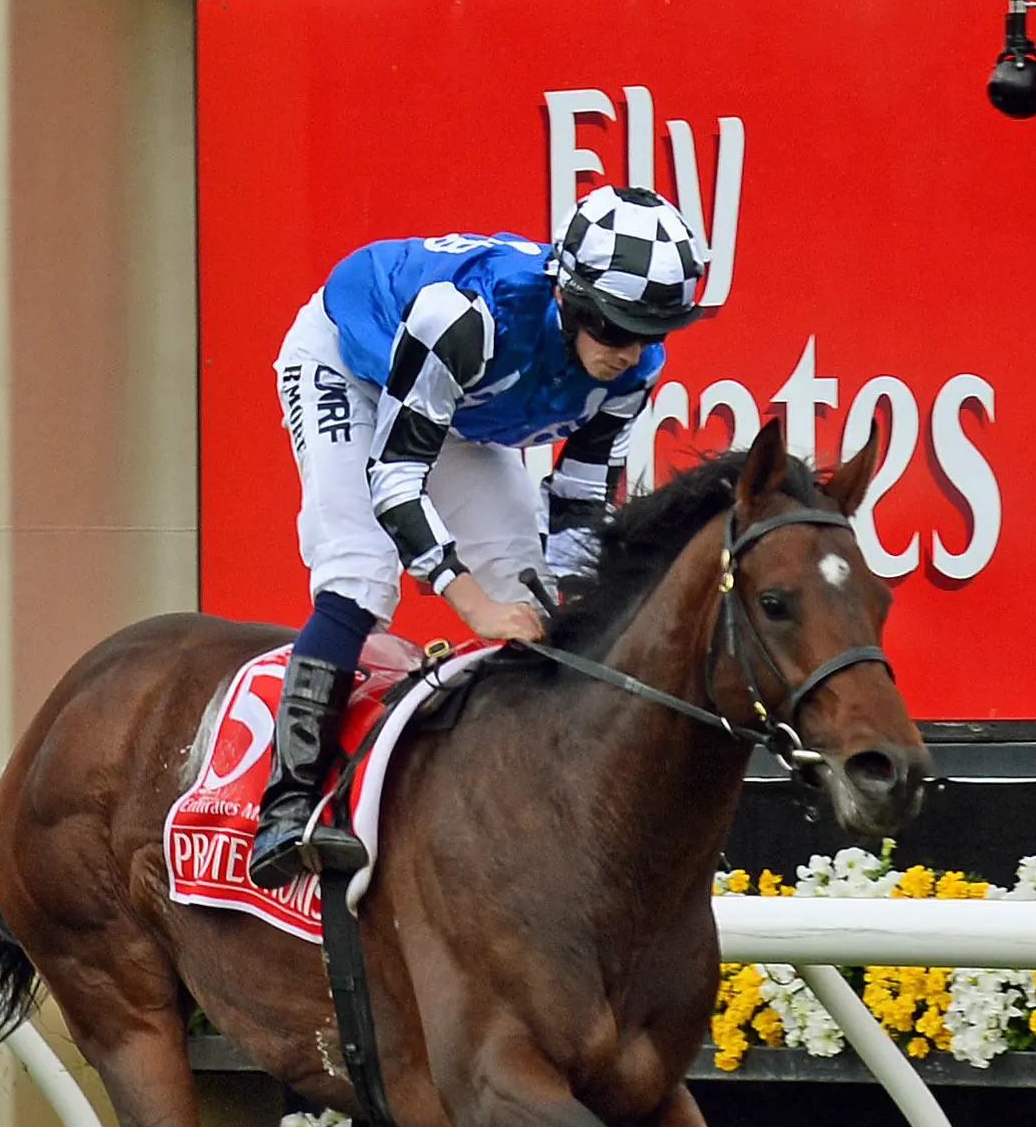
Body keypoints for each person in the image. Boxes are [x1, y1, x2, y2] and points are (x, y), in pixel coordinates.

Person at [249, 183, 716, 884]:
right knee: (359, 573)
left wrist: (559, 603)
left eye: (653, 331)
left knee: (531, 585)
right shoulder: (468, 317)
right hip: (349, 363)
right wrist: (470, 605)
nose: (635, 350)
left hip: (453, 398)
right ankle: (284, 811)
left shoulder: (636, 369)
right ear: (572, 300)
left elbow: (581, 498)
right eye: (618, 327)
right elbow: (395, 479)